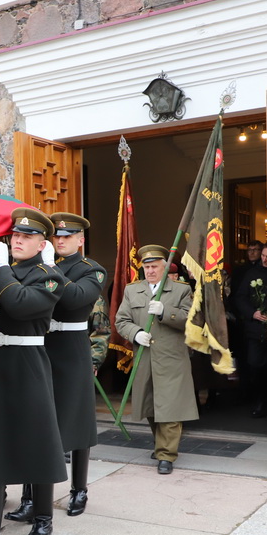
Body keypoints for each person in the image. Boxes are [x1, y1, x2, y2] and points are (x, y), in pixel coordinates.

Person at [0, 207, 68, 535]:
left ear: (43, 242)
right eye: (15, 236)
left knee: (35, 444)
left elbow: (20, 304)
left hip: (27, 366)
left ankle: (43, 518)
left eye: (26, 237)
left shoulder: (50, 276)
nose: (18, 241)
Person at [114, 244, 199, 474]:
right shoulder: (133, 290)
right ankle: (161, 445)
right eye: (146, 267)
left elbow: (191, 319)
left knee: (170, 407)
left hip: (171, 358)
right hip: (145, 357)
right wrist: (135, 333)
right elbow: (121, 320)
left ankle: (166, 455)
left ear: (164, 267)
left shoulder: (180, 290)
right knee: (151, 405)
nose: (150, 271)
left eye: (154, 267)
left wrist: (165, 312)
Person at [44, 212, 106, 517]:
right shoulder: (44, 264)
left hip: (71, 350)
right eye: (57, 236)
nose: (61, 240)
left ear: (81, 240)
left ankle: (79, 489)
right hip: (42, 347)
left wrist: (45, 270)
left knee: (79, 422)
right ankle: (33, 494)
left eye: (67, 236)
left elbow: (74, 299)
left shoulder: (91, 270)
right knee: (39, 422)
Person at [234, 240, 267, 423]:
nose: (265, 259)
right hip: (255, 330)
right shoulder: (252, 273)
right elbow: (239, 297)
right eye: (263, 256)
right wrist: (253, 313)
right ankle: (260, 401)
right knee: (255, 366)